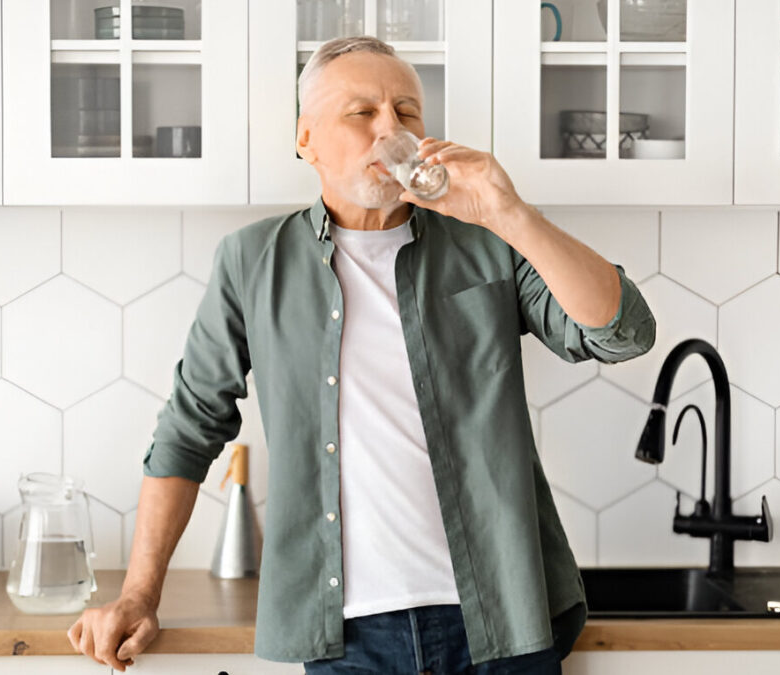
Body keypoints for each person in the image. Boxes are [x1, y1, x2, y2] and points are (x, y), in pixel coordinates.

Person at [68, 36, 656, 674]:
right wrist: (138, 593)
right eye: (362, 113)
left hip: (504, 622)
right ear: (306, 139)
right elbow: (188, 429)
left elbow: (621, 333)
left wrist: (509, 214)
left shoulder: (488, 245)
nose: (390, 129)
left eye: (406, 113)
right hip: (347, 638)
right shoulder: (253, 261)